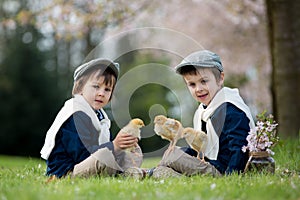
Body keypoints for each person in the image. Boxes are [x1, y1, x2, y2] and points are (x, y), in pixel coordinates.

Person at [155, 50, 255, 177]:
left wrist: (231, 177)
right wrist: (185, 152)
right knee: (174, 154)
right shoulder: (204, 111)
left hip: (220, 170)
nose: (199, 89)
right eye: (192, 84)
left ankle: (156, 172)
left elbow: (239, 148)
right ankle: (159, 173)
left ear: (220, 79)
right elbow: (202, 147)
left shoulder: (230, 110)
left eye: (204, 81)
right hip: (208, 163)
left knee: (173, 156)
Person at [40, 58, 143, 179]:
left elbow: (102, 146)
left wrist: (121, 147)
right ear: (79, 88)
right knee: (106, 156)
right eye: (96, 86)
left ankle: (129, 172)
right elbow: (82, 156)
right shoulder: (76, 114)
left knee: (132, 151)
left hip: (89, 165)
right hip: (67, 171)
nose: (101, 93)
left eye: (107, 89)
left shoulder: (99, 115)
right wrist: (114, 146)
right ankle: (124, 173)